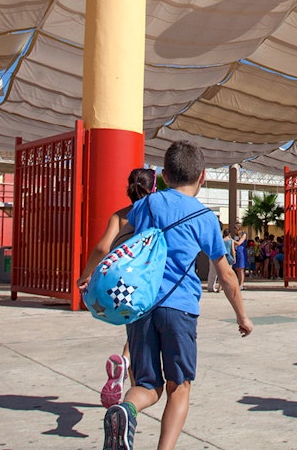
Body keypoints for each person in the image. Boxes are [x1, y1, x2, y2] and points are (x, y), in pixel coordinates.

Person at [100, 142, 253, 450]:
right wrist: (242, 316)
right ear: (203, 176)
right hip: (179, 308)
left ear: (165, 175)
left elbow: (114, 244)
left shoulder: (146, 206)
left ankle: (125, 409)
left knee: (146, 386)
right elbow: (226, 276)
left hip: (141, 306)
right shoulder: (205, 217)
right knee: (179, 386)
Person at [77, 168, 157, 408]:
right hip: (146, 279)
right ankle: (126, 366)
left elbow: (102, 247)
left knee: (133, 327)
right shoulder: (154, 212)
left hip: (121, 281)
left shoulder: (120, 215)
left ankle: (126, 377)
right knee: (141, 332)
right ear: (154, 188)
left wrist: (87, 274)